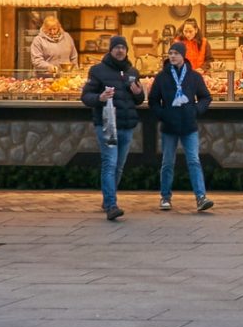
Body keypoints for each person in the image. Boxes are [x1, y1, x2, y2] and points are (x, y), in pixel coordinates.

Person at [82, 35, 144, 221]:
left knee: (119, 166)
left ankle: (107, 198)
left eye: (123, 48)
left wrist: (138, 93)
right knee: (110, 164)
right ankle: (111, 205)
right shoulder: (97, 71)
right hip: (107, 126)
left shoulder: (132, 72)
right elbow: (86, 97)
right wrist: (99, 98)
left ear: (127, 51)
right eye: (116, 47)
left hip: (126, 125)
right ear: (110, 50)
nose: (120, 50)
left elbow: (139, 101)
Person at [148, 40, 214, 212]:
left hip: (189, 125)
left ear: (183, 56)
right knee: (167, 162)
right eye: (170, 53)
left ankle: (201, 197)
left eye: (176, 53)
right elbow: (153, 100)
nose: (172, 56)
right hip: (169, 126)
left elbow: (206, 97)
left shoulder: (194, 77)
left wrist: (195, 110)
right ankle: (165, 197)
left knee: (194, 161)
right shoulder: (162, 77)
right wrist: (163, 114)